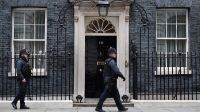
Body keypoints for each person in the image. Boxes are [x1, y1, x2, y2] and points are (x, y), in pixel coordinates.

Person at [95, 47, 128, 112]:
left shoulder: (107, 61)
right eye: (115, 53)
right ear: (112, 54)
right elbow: (116, 71)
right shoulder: (111, 61)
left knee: (116, 95)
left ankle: (121, 108)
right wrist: (123, 77)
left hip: (110, 81)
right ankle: (98, 107)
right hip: (110, 81)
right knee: (104, 95)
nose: (116, 54)